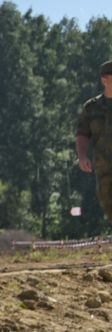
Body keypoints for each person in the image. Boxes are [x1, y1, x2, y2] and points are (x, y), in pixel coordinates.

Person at [75, 60, 112, 220]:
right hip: (104, 166)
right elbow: (82, 133)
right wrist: (82, 156)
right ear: (105, 79)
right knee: (107, 203)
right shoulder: (92, 107)